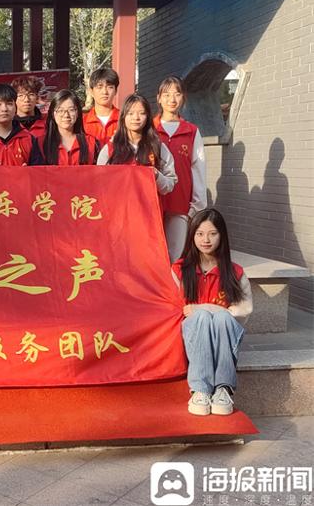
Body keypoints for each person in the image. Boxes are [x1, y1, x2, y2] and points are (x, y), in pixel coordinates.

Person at [172, 209, 252, 416]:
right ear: (192, 236)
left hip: (224, 333)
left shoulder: (235, 272)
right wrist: (203, 312)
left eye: (212, 234)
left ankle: (223, 389)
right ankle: (201, 389)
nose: (205, 240)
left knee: (221, 316)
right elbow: (173, 308)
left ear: (222, 236)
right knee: (201, 318)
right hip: (192, 336)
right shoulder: (179, 270)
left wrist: (207, 308)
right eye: (200, 234)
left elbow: (243, 310)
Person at [155, 76, 208, 262]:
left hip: (180, 204)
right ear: (158, 98)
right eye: (166, 94)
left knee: (176, 257)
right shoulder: (149, 129)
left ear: (183, 97)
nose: (172, 99)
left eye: (177, 94)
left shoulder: (191, 131)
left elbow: (198, 169)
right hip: (152, 203)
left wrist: (197, 205)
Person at [96, 93, 177, 196]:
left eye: (142, 113)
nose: (136, 118)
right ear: (123, 117)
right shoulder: (110, 149)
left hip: (148, 205)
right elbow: (99, 181)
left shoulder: (157, 147)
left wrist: (156, 175)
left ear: (148, 117)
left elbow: (170, 184)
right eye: (130, 113)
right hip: (118, 204)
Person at [40, 89, 98, 166]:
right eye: (60, 110)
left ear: (78, 113)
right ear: (53, 114)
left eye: (71, 110)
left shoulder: (91, 143)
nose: (66, 115)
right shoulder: (41, 144)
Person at [83, 68, 120, 144]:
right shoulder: (82, 122)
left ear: (116, 91)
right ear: (91, 91)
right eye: (99, 87)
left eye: (110, 87)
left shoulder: (124, 120)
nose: (105, 92)